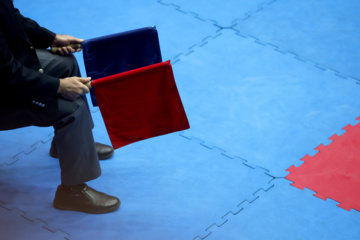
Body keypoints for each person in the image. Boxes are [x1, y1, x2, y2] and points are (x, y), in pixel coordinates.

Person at [0, 0, 120, 213]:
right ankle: (71, 193)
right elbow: (6, 74)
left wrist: (51, 38)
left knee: (66, 64)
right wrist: (57, 86)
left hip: (9, 66)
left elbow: (12, 16)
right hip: (4, 86)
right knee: (72, 109)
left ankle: (64, 145)